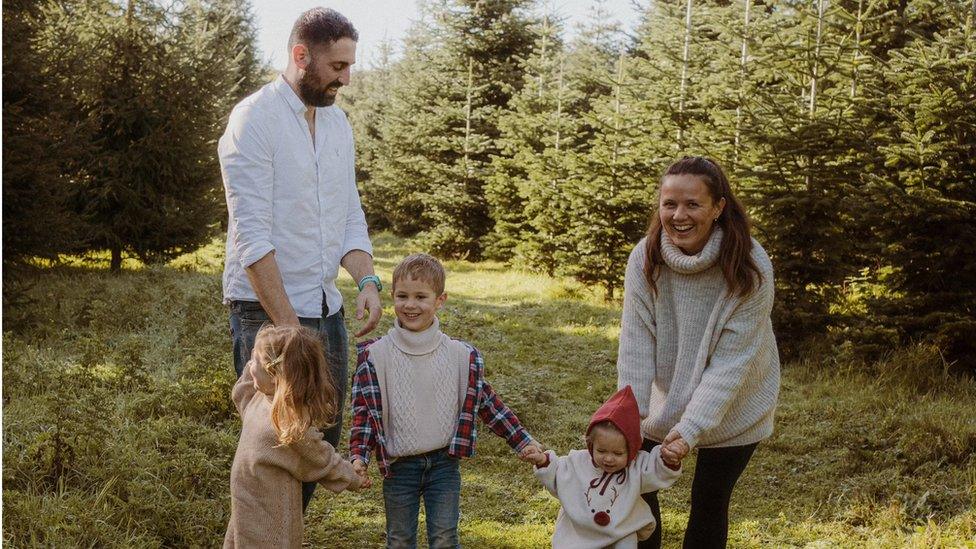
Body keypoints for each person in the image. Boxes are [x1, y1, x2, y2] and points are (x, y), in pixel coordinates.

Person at [218, 7, 381, 510]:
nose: (347, 79)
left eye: (350, 65)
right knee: (277, 440)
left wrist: (368, 280)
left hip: (325, 307)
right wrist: (291, 331)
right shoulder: (253, 120)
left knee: (320, 436)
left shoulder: (339, 126)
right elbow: (252, 238)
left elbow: (348, 213)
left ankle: (286, 532)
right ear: (300, 56)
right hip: (267, 312)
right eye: (337, 67)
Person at [616, 156, 781, 549]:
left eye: (693, 204)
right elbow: (636, 343)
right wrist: (628, 418)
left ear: (719, 207)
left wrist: (689, 432)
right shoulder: (645, 257)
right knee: (637, 491)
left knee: (709, 500)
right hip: (664, 399)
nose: (679, 215)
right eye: (669, 204)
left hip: (738, 401)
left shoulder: (750, 266)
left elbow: (730, 366)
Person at [349, 253, 541, 549]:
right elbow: (364, 413)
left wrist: (522, 440)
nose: (410, 305)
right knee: (399, 539)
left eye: (421, 297)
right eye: (402, 296)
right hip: (400, 466)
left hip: (443, 464)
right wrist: (359, 456)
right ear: (392, 297)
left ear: (440, 300)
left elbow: (488, 404)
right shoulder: (376, 356)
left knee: (445, 538)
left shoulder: (460, 357)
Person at [224, 325, 366, 548]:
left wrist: (353, 477)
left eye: (255, 363)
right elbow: (240, 392)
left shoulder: (289, 424)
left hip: (273, 519)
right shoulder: (259, 399)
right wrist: (256, 354)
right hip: (246, 508)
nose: (250, 367)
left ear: (275, 376)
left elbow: (321, 459)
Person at [521, 386, 682, 549]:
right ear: (591, 445)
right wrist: (542, 460)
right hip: (580, 533)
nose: (609, 459)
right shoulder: (577, 462)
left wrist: (669, 458)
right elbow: (556, 472)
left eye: (618, 453)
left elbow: (657, 469)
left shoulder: (637, 467)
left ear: (631, 450)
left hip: (622, 531)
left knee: (627, 543)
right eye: (601, 451)